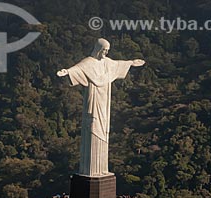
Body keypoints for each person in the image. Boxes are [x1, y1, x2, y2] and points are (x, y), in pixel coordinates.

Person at [57, 38, 145, 176]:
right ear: (98, 49)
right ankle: (90, 169)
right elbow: (78, 69)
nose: (105, 53)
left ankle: (101, 168)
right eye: (104, 50)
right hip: (94, 99)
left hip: (105, 100)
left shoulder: (107, 63)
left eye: (107, 51)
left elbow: (118, 64)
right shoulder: (88, 62)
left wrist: (132, 63)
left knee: (103, 129)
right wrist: (67, 72)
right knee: (93, 126)